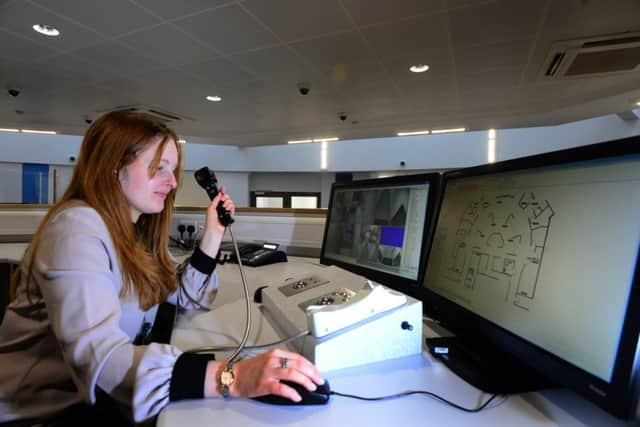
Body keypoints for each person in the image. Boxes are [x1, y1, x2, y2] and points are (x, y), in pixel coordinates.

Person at [0, 111, 323, 426]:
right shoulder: (76, 230)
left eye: (174, 170)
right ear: (114, 168)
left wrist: (213, 233)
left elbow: (177, 298)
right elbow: (99, 360)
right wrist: (233, 377)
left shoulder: (131, 232)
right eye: (159, 168)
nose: (171, 183)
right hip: (41, 415)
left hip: (90, 404)